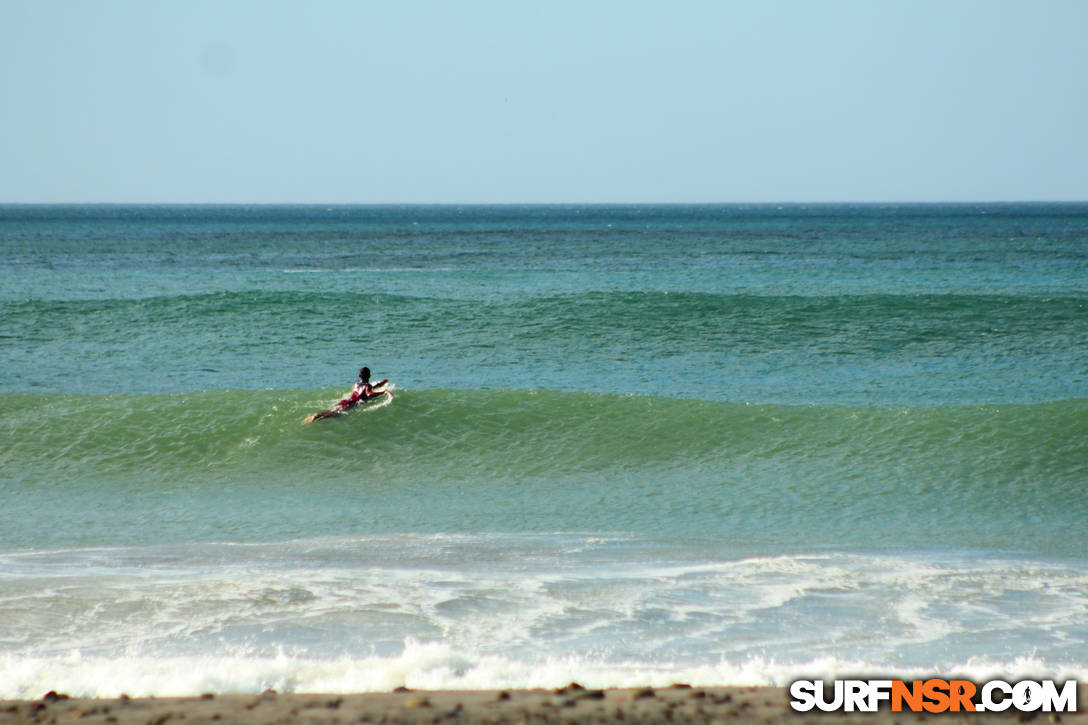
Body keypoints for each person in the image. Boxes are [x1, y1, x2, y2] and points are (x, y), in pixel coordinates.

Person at [303, 367, 392, 423]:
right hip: (351, 405)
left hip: (345, 401)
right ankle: (315, 419)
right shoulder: (367, 386)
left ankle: (313, 416)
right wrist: (384, 392)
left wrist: (380, 384)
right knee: (333, 415)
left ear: (359, 376)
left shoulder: (356, 384)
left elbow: (366, 388)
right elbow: (369, 393)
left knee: (330, 411)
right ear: (369, 375)